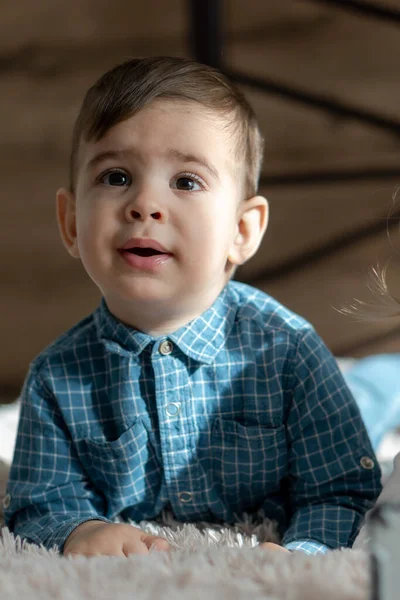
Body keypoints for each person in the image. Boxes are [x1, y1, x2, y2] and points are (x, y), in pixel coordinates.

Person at [3, 56, 381, 558]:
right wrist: (79, 532)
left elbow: (341, 487)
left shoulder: (287, 352)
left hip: (325, 398)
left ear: (241, 231)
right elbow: (36, 504)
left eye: (185, 182)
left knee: (371, 403)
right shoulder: (57, 377)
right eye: (116, 177)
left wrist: (307, 549)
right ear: (71, 222)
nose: (144, 204)